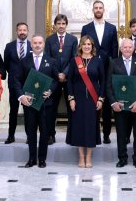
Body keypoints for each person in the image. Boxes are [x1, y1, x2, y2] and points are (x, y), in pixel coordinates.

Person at [14, 35, 59, 168]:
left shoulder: (51, 61)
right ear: (31, 45)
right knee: (30, 131)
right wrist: (21, 96)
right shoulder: (23, 61)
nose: (37, 45)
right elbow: (16, 81)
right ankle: (32, 158)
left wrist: (50, 91)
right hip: (29, 103)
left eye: (40, 43)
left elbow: (56, 80)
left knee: (45, 132)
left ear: (43, 44)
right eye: (35, 43)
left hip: (46, 104)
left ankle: (42, 159)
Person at [81, 0, 118, 144]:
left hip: (108, 69)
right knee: (92, 103)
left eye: (100, 7)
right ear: (92, 10)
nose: (98, 10)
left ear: (104, 9)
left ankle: (107, 134)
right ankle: (93, 133)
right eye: (96, 8)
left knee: (107, 103)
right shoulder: (86, 28)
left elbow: (115, 50)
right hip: (91, 69)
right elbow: (83, 47)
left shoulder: (111, 28)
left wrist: (115, 68)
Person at [106, 39, 136, 169]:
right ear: (121, 49)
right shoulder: (113, 63)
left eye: (130, 47)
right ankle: (122, 158)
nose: (127, 49)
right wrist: (113, 103)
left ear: (133, 49)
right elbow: (109, 85)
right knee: (121, 134)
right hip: (120, 106)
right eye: (125, 47)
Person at [66, 35, 105, 168]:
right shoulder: (74, 61)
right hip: (78, 100)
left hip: (93, 101)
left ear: (92, 46)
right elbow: (69, 81)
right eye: (84, 44)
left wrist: (100, 98)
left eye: (89, 44)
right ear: (80, 46)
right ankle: (81, 157)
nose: (87, 46)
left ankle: (89, 157)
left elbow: (103, 81)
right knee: (79, 128)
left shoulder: (98, 61)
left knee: (90, 128)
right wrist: (71, 98)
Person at [45, 14, 78, 145]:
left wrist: (65, 73)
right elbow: (47, 58)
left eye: (63, 23)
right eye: (58, 23)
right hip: (53, 79)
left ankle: (72, 136)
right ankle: (50, 135)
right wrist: (57, 74)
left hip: (69, 78)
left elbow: (74, 58)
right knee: (51, 108)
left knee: (72, 108)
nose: (61, 26)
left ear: (66, 25)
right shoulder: (49, 40)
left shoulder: (72, 39)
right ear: (55, 25)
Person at [4, 22, 32, 144]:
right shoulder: (9, 46)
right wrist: (15, 75)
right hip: (14, 83)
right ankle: (11, 136)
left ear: (27, 31)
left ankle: (29, 136)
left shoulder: (33, 46)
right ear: (16, 31)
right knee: (13, 110)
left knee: (28, 111)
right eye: (20, 30)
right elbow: (6, 64)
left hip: (29, 83)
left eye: (24, 30)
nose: (22, 32)